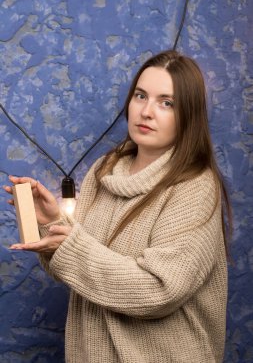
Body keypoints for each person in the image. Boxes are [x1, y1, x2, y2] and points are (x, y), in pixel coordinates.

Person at [4, 50, 231, 363]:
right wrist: (53, 222)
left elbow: (159, 291)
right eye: (140, 96)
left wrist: (70, 244)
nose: (146, 111)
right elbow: (83, 267)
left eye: (167, 103)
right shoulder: (104, 170)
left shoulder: (194, 187)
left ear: (188, 115)